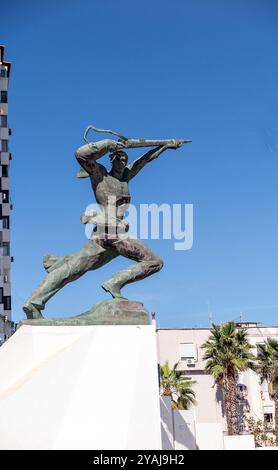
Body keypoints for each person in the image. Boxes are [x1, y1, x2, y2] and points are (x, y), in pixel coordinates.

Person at [23, 137, 182, 319]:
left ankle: (34, 301)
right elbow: (80, 154)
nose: (123, 162)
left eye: (125, 160)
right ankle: (114, 283)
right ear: (111, 159)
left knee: (74, 268)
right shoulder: (100, 174)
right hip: (111, 231)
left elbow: (145, 160)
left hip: (105, 234)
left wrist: (165, 146)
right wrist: (107, 144)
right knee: (154, 262)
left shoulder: (124, 179)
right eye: (119, 158)